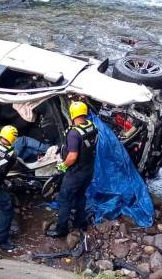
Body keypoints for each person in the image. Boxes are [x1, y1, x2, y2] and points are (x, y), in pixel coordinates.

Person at [47, 101, 97, 238]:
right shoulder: (92, 127)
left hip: (75, 173)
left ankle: (61, 229)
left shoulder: (74, 133)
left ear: (72, 114)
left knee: (64, 199)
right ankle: (80, 222)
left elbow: (72, 156)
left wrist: (62, 166)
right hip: (88, 170)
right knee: (80, 195)